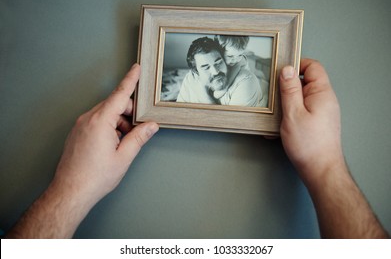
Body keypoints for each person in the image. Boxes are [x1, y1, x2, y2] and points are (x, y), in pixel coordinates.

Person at [5, 59, 389, 238]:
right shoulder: (190, 86)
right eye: (205, 68)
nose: (216, 70)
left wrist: (68, 191)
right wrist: (326, 167)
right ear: (195, 72)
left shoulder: (244, 80)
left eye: (219, 61)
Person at [176, 37, 263, 106]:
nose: (215, 72)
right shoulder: (190, 78)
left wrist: (204, 94)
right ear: (196, 72)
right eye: (206, 67)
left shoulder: (244, 77)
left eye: (219, 63)